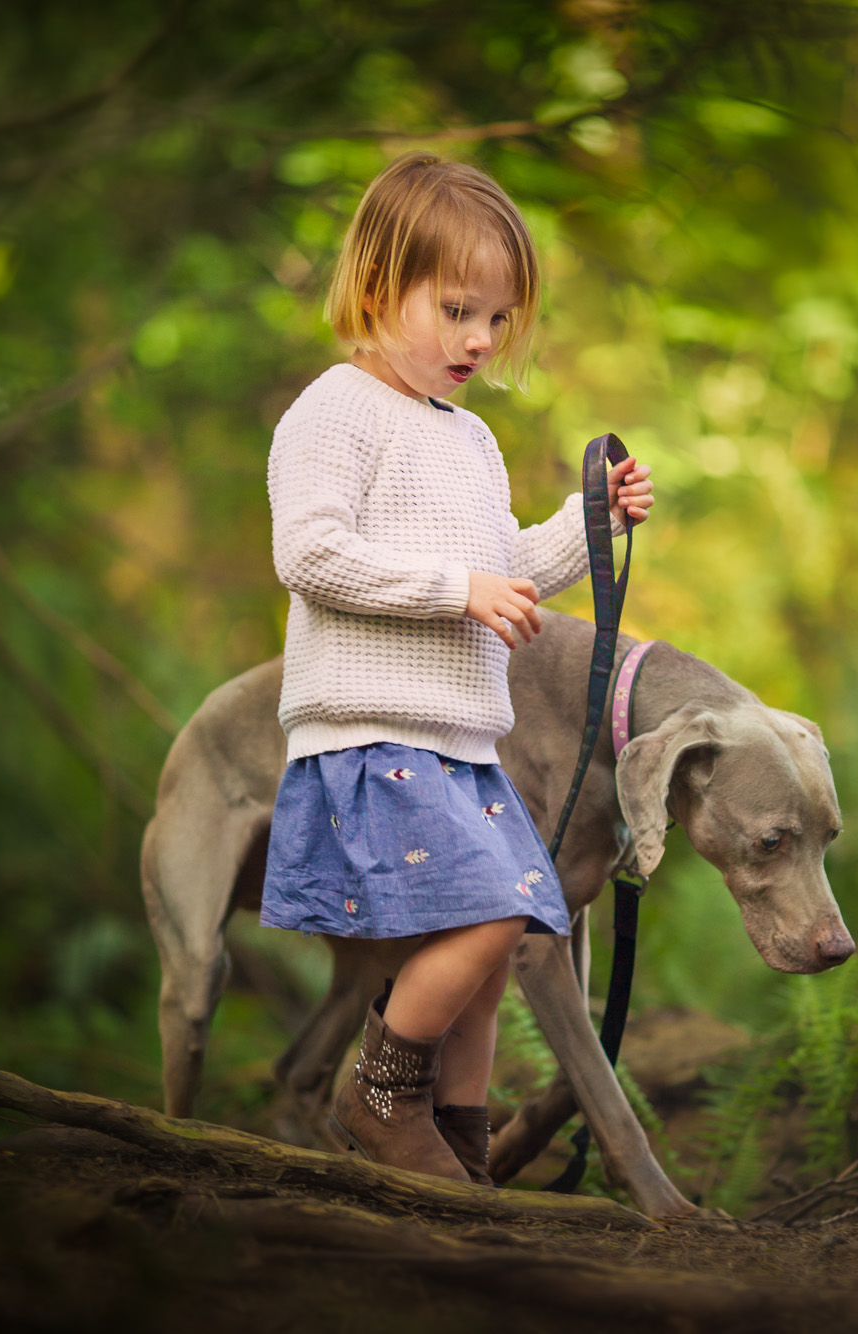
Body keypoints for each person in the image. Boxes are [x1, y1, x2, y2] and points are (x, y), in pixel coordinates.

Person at [259, 152, 653, 1184]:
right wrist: (452, 588)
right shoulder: (334, 410)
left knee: (503, 938)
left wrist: (588, 522)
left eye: (499, 318)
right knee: (489, 910)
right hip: (375, 735)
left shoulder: (469, 440)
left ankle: (455, 1155)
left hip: (457, 745)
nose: (481, 339)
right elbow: (308, 552)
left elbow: (500, 568)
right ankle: (378, 1094)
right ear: (381, 286)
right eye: (458, 309)